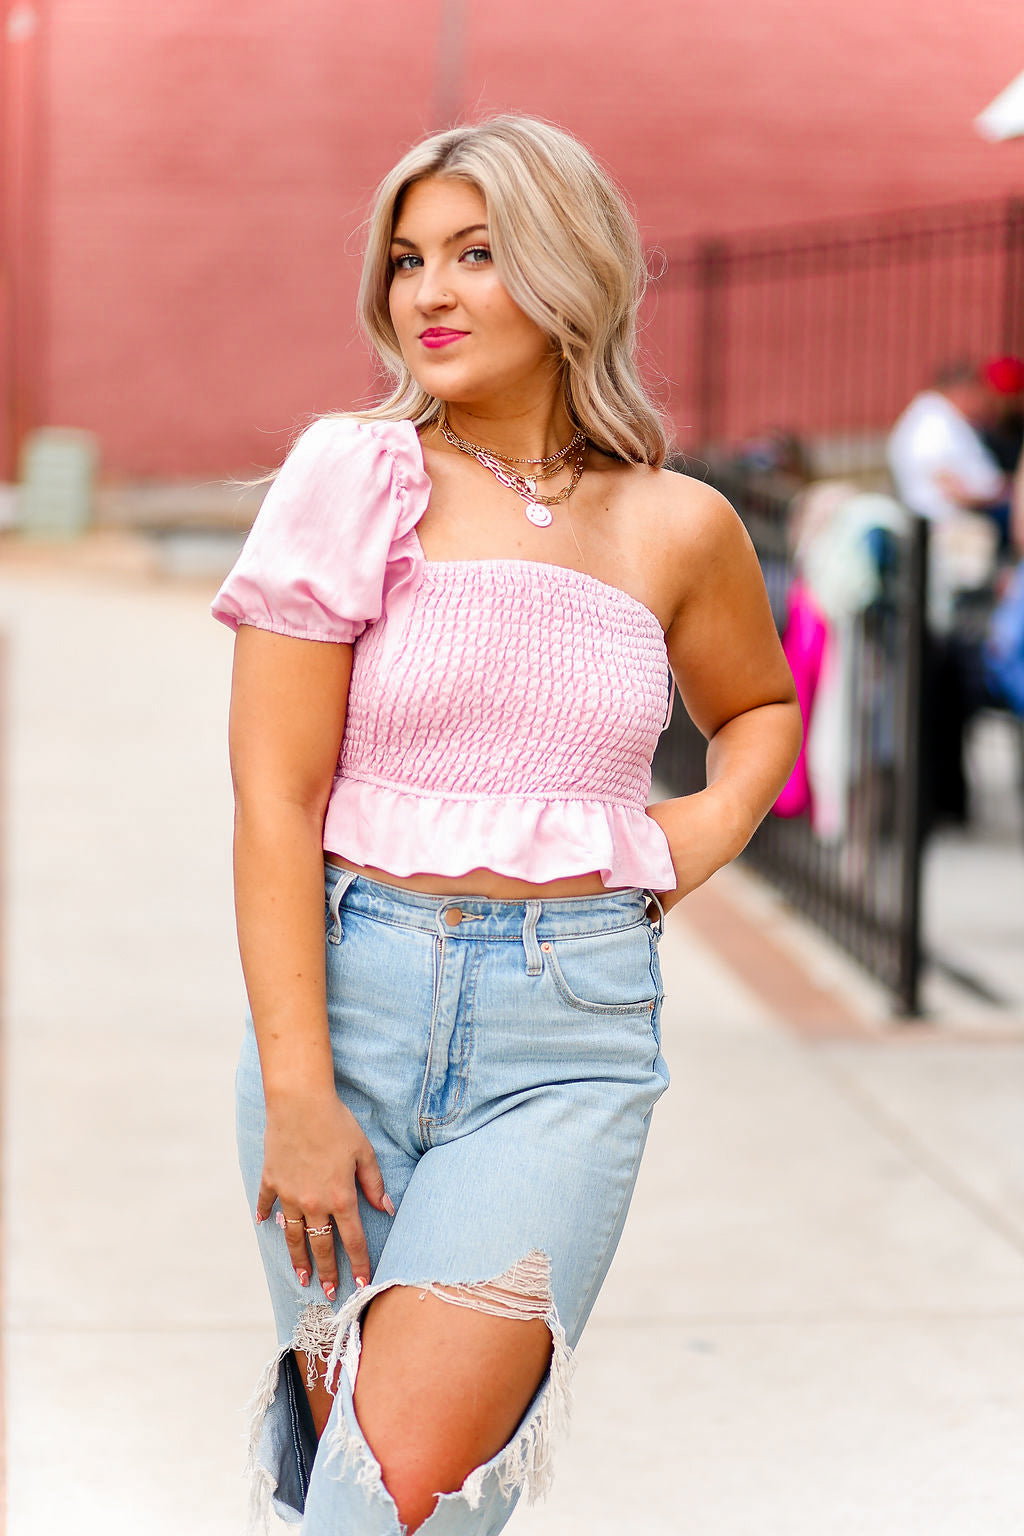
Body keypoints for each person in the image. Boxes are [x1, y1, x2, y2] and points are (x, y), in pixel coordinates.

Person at [212, 115, 801, 1536]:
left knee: (399, 1499)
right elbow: (274, 798)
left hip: (569, 1040)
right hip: (347, 1009)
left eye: (477, 254)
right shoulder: (353, 476)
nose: (430, 292)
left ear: (569, 267)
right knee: (341, 1468)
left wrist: (689, 838)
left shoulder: (678, 526)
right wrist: (300, 1091)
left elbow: (760, 710)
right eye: (409, 259)